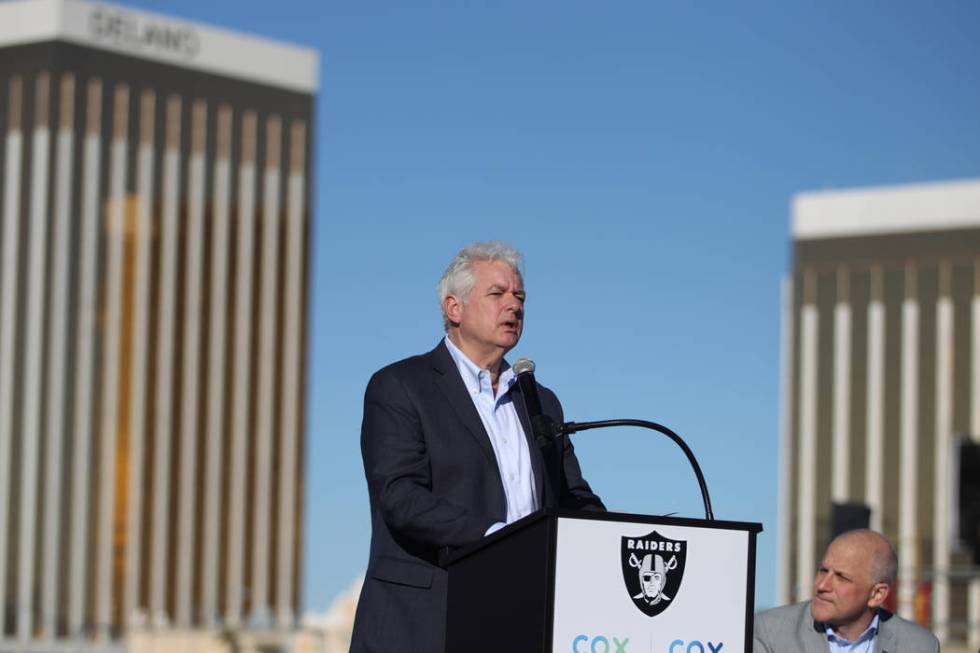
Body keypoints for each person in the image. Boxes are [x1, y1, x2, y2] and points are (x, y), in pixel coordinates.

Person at [349, 241, 604, 652]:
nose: (514, 305)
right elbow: (400, 496)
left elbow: (571, 497)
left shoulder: (541, 402)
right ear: (454, 308)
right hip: (424, 622)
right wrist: (497, 540)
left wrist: (610, 540)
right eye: (497, 293)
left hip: (521, 621)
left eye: (519, 296)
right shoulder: (400, 386)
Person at [753, 529, 939, 653]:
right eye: (823, 570)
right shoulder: (769, 633)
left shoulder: (920, 646)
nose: (822, 585)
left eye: (841, 578)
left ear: (877, 595)